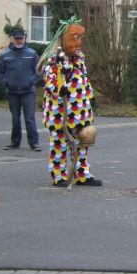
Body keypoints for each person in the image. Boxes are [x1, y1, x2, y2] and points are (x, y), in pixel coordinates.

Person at [39, 17, 102, 187]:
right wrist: (59, 88)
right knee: (59, 142)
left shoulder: (79, 59)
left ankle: (81, 174)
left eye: (80, 38)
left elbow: (83, 80)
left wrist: (90, 96)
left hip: (80, 111)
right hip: (60, 112)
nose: (78, 42)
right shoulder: (55, 60)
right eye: (74, 38)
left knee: (84, 139)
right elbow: (50, 81)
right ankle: (59, 175)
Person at [0, 27, 41, 152]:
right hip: (12, 92)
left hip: (28, 92)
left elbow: (38, 71)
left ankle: (34, 143)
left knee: (29, 119)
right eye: (16, 39)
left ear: (24, 39)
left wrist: (31, 81)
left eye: (21, 39)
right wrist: (6, 82)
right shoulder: (5, 55)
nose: (19, 41)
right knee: (15, 119)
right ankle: (15, 142)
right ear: (12, 39)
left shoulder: (32, 54)